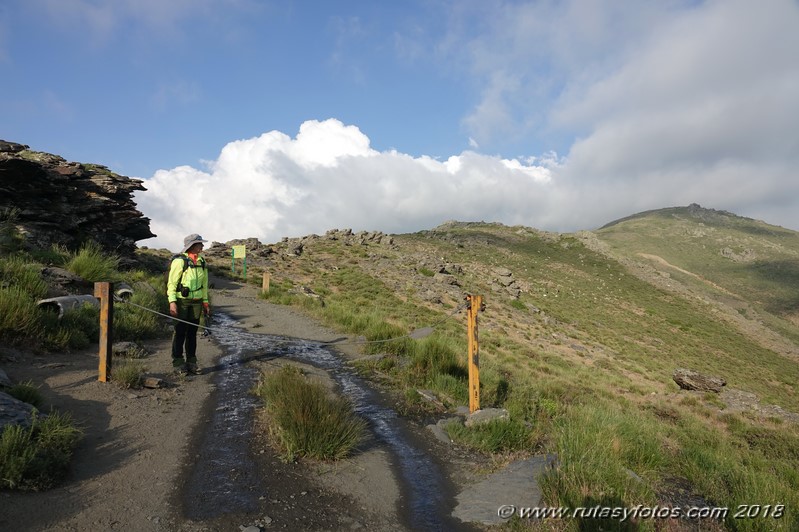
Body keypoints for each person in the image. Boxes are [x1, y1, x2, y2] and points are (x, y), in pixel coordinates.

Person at [167, 233, 210, 375]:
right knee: (180, 332)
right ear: (192, 245)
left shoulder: (202, 261)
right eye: (199, 244)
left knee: (192, 333)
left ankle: (192, 362)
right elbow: (172, 283)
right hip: (182, 301)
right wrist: (172, 302)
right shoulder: (180, 261)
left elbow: (204, 284)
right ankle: (178, 362)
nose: (202, 246)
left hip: (197, 301)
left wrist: (205, 302)